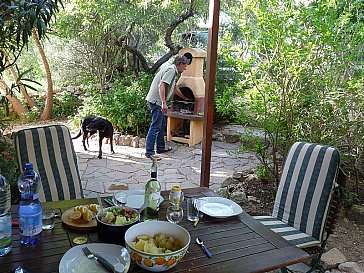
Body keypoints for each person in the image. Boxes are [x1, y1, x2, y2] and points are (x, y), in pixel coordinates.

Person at [145, 55, 190, 160]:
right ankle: (149, 152)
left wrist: (185, 98)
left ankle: (160, 147)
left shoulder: (172, 71)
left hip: (156, 101)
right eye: (185, 66)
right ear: (179, 64)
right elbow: (161, 85)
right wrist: (163, 102)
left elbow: (174, 87)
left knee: (161, 124)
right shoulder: (171, 70)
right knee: (155, 126)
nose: (185, 68)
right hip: (156, 101)